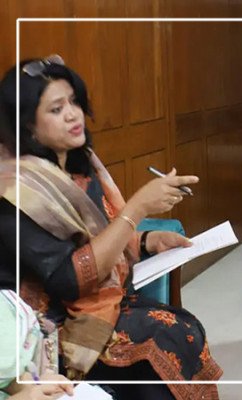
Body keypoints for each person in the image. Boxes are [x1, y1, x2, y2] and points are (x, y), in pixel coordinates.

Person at [0, 55, 222, 399]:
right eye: (56, 109)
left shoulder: (79, 165)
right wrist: (138, 207)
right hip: (49, 327)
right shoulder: (18, 191)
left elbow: (99, 235)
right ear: (28, 125)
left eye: (73, 102)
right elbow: (70, 279)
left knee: (182, 328)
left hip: (100, 302)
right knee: (161, 340)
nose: (73, 114)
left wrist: (146, 241)